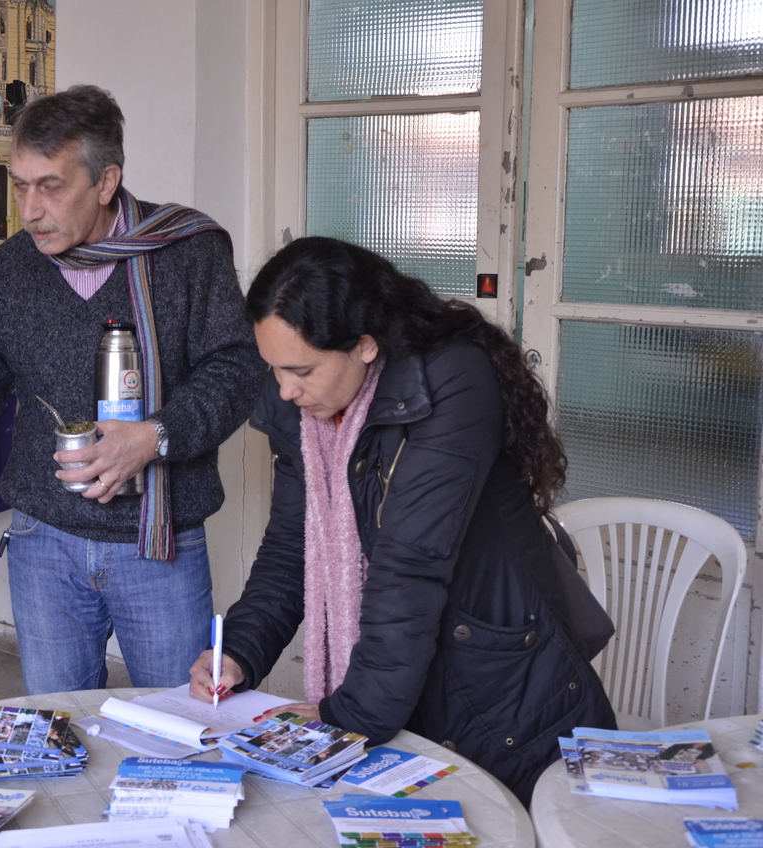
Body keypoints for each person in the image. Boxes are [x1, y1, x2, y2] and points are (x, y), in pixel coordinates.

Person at [188, 237, 615, 804]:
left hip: (503, 695)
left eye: (301, 370)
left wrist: (350, 715)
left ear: (365, 345)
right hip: (403, 677)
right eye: (275, 369)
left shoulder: (450, 381)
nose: (286, 391)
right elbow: (294, 546)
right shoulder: (306, 409)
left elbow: (409, 564)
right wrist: (240, 649)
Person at [0, 85, 262, 694]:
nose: (29, 209)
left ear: (106, 181)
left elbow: (237, 370)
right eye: (19, 185)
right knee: (57, 727)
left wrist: (156, 437)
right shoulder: (13, 268)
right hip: (43, 541)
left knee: (178, 723)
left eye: (51, 186)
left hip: (158, 542)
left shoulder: (186, 252)